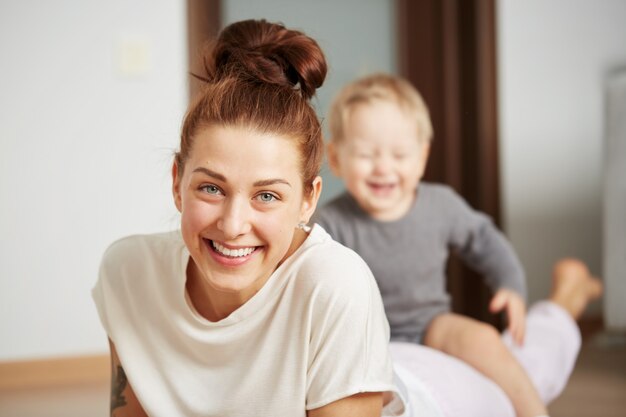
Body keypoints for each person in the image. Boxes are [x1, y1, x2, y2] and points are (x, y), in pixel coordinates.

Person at [93, 19, 401, 417]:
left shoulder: (336, 286)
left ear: (308, 200)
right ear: (177, 181)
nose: (233, 224)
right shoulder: (129, 272)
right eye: (211, 188)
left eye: (267, 195)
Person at [314, 72, 562, 417]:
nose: (384, 167)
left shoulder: (440, 205)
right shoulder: (330, 222)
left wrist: (510, 285)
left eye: (400, 155)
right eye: (367, 155)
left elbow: (485, 240)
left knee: (483, 338)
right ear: (337, 158)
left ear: (421, 158)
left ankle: (534, 410)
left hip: (431, 325)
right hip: (362, 335)